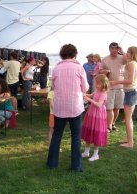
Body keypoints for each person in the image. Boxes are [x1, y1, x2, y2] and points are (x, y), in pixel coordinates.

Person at [47, 44, 89, 172]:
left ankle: (52, 163)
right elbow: (85, 88)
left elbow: (53, 86)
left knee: (56, 135)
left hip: (59, 107)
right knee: (76, 136)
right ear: (75, 54)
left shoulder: (56, 69)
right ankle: (76, 166)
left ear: (62, 54)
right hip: (75, 106)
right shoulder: (79, 68)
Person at [110, 46, 137, 148]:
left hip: (131, 92)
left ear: (132, 54)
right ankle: (129, 139)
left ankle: (130, 143)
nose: (126, 54)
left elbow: (130, 81)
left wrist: (116, 82)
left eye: (128, 52)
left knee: (128, 119)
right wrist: (122, 50)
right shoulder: (135, 62)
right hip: (132, 91)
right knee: (129, 119)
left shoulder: (132, 64)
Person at [100, 42, 126, 132]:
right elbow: (100, 71)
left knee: (117, 107)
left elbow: (129, 61)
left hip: (121, 87)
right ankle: (108, 126)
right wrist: (104, 71)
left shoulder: (122, 57)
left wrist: (122, 51)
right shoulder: (105, 59)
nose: (114, 50)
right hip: (109, 87)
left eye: (116, 48)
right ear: (109, 49)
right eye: (112, 48)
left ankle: (112, 123)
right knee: (109, 108)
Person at [82, 74, 109, 161]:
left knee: (96, 132)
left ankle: (95, 154)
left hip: (99, 115)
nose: (96, 85)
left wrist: (89, 100)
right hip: (92, 113)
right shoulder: (97, 90)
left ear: (103, 83)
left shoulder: (104, 93)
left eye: (97, 83)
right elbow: (90, 95)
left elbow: (99, 105)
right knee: (89, 131)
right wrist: (83, 94)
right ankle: (86, 152)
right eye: (96, 83)